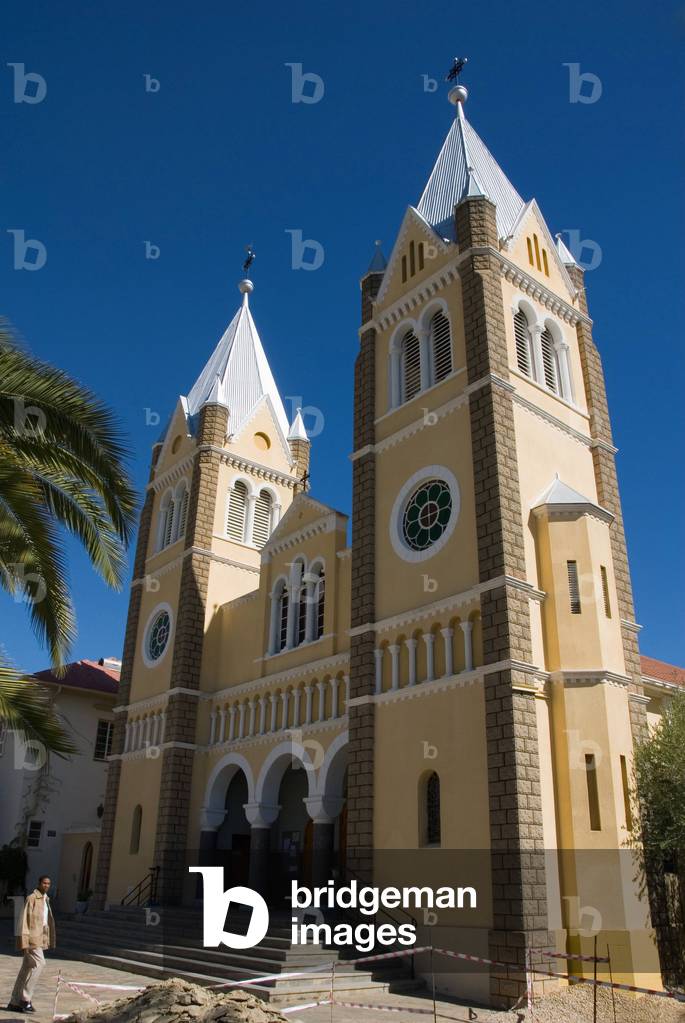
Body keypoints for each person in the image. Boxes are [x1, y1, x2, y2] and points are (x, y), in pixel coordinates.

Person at [6, 876, 56, 1014]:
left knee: (25, 969)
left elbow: (45, 921)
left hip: (41, 937)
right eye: (44, 883)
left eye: (48, 883)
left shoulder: (46, 899)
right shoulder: (32, 898)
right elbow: (24, 920)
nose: (46, 885)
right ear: (39, 883)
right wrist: (24, 940)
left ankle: (14, 1002)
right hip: (32, 938)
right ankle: (25, 998)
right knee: (40, 963)